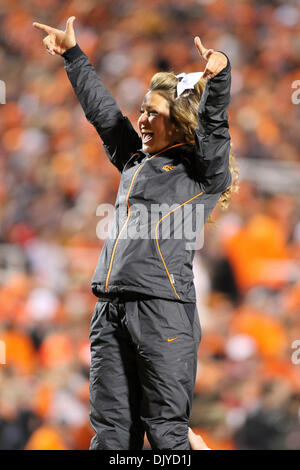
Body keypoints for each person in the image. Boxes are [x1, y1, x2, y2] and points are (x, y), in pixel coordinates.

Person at [33, 16, 235, 450]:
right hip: (109, 307)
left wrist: (219, 79)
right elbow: (105, 116)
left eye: (153, 112)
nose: (141, 118)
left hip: (163, 309)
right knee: (110, 439)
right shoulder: (133, 160)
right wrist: (73, 56)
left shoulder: (199, 172)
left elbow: (214, 129)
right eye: (142, 108)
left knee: (166, 437)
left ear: (179, 120)